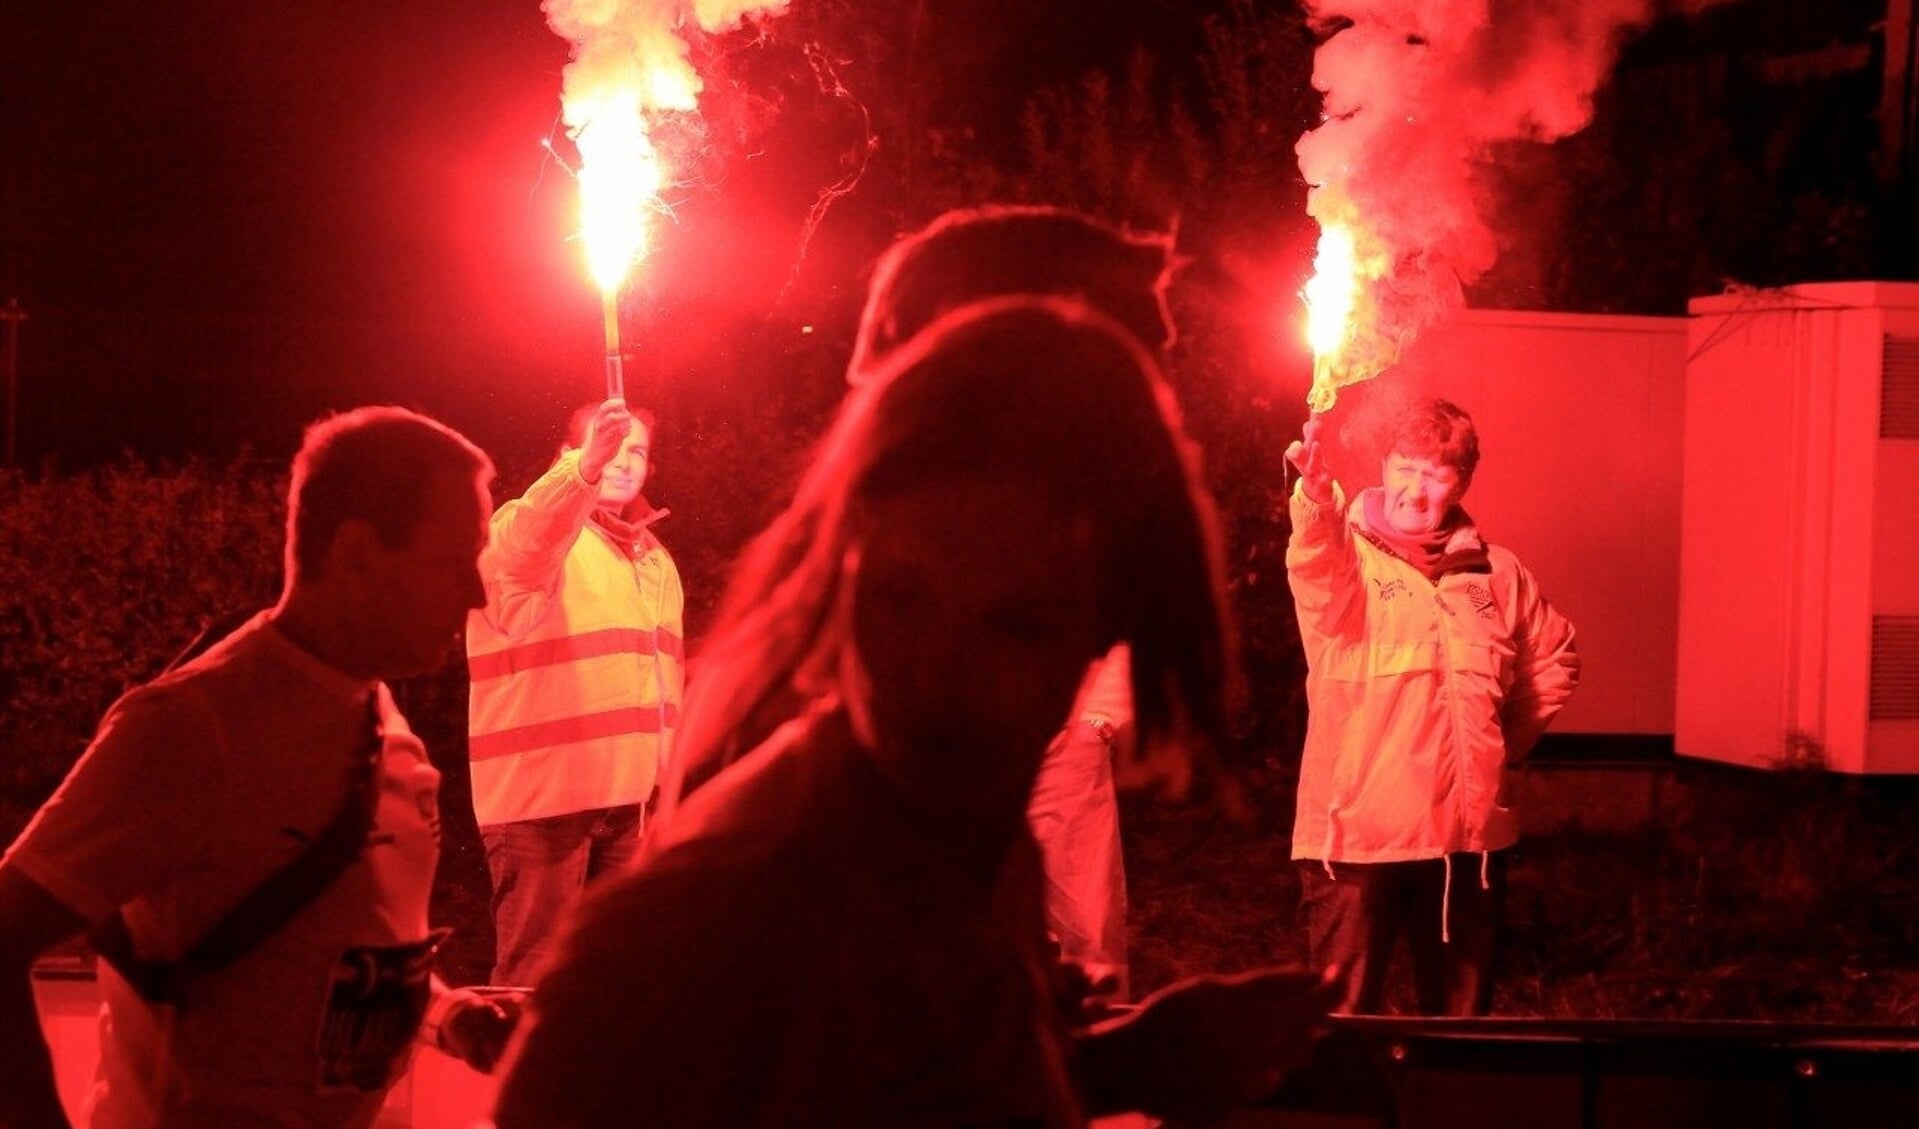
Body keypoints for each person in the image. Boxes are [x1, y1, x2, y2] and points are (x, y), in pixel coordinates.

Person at [491, 298, 1337, 1129]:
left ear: (1099, 635)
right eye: (903, 597)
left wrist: (1122, 1062)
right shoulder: (727, 905)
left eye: (1016, 621)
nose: (944, 671)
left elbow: (921, 1081)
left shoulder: (953, 835)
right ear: (840, 576)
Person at [669, 203, 1180, 1002]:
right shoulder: (823, 755)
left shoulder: (936, 738)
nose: (1157, 429)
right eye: (1124, 379)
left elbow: (921, 1051)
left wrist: (1116, 1056)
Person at [0, 406, 519, 1129]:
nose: (476, 593)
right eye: (454, 558)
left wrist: (447, 1013)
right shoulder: (192, 726)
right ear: (359, 553)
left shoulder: (387, 729)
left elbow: (326, 958)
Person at [1284, 397, 1580, 1016]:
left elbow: (1554, 657)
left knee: (1459, 1041)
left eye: (1436, 474)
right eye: (1406, 467)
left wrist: (1501, 747)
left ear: (1462, 482)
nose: (1416, 490)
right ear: (1386, 464)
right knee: (1338, 1031)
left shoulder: (1497, 573)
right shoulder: (1348, 560)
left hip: (1465, 849)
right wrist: (1314, 498)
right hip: (1356, 845)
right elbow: (1314, 556)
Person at [463, 398, 686, 988]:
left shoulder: (654, 561)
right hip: (543, 803)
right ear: (570, 453)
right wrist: (584, 471)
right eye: (609, 445)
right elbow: (533, 535)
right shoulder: (526, 537)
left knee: (621, 987)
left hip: (632, 806)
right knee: (529, 988)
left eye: (636, 450)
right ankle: (508, 1083)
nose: (623, 459)